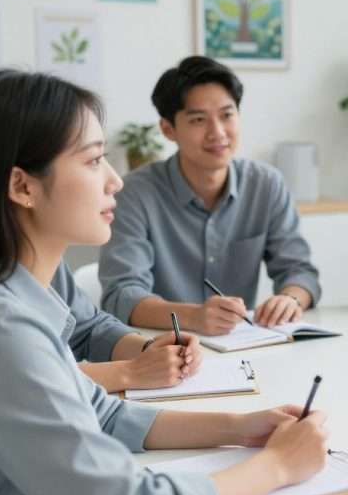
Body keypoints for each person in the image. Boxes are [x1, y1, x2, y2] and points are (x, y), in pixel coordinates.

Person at [0, 70, 328, 495]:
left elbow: (104, 415)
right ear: (23, 186)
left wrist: (244, 427)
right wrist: (278, 465)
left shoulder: (19, 300)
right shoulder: (1, 331)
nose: (115, 181)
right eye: (92, 161)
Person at [100, 56, 320, 335]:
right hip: (160, 349)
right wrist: (192, 317)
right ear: (168, 129)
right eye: (199, 120)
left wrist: (290, 299)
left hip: (241, 349)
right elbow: (121, 294)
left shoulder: (266, 184)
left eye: (227, 115)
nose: (217, 133)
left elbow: (300, 271)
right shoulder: (135, 193)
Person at [57, 261, 205, 392]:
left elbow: (88, 328)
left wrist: (149, 350)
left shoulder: (55, 268)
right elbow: (37, 379)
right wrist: (132, 371)